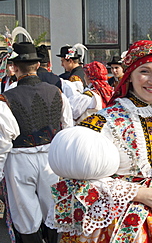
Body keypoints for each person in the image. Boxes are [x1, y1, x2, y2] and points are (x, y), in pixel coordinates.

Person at [45, 40, 152, 243]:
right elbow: (74, 184)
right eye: (145, 71)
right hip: (120, 218)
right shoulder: (104, 120)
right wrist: (138, 193)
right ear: (130, 74)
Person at [0, 42, 73, 243]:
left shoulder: (6, 99)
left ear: (14, 67)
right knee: (53, 209)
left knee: (24, 214)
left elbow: (3, 141)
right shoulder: (58, 93)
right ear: (37, 66)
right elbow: (68, 130)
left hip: (19, 161)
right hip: (51, 159)